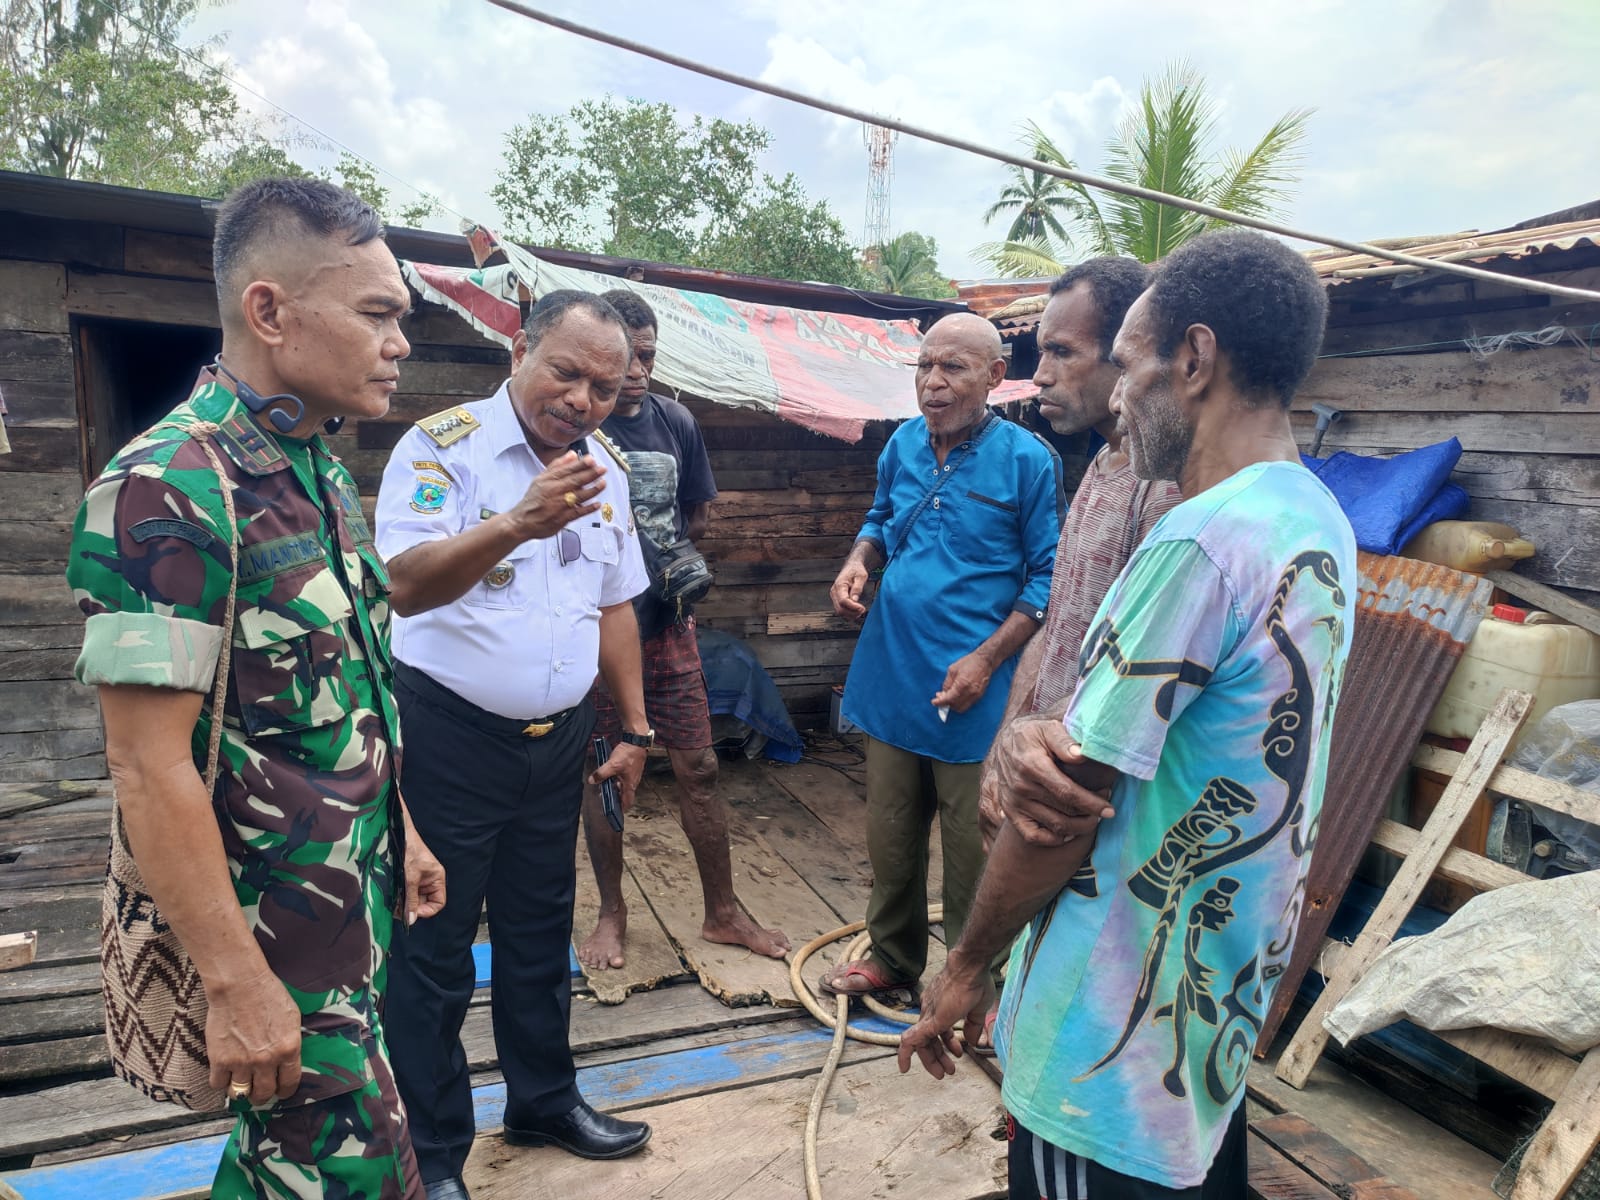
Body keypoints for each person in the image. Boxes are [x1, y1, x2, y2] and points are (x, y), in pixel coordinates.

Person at [899, 230, 1357, 1200]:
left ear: (1192, 360)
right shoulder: (1313, 519)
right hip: (1204, 1023)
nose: (1116, 392)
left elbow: (1061, 806)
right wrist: (1038, 730)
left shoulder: (1197, 542)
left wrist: (967, 966)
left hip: (1102, 1046)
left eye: (1129, 363)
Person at [66, 177, 445, 1200]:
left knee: (299, 1172)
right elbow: (146, 769)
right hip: (269, 947)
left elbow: (346, 679)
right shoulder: (167, 488)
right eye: (377, 314)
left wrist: (397, 825)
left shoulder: (310, 464)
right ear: (269, 311)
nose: (399, 341)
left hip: (345, 911)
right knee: (355, 1179)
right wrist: (237, 985)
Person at [375, 290, 655, 1200]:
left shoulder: (603, 467)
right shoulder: (440, 449)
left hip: (557, 746)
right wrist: (518, 522)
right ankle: (436, 1154)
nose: (581, 399)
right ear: (520, 352)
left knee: (541, 937)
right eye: (566, 372)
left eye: (604, 388)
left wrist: (636, 726)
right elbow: (407, 586)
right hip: (447, 740)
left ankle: (543, 1100)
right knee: (435, 952)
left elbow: (614, 603)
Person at [823, 312, 1061, 1000]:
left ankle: (973, 982)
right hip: (892, 673)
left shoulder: (1027, 461)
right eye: (924, 366)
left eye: (953, 368)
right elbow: (879, 522)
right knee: (890, 837)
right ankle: (893, 960)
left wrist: (988, 661)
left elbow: (1048, 580)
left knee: (973, 850)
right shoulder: (900, 445)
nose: (933, 382)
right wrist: (858, 561)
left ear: (993, 377)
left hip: (974, 689)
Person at [577, 289, 789, 971]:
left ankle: (722, 912)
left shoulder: (676, 421)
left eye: (648, 355)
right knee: (605, 775)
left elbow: (697, 516)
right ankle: (613, 913)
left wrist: (667, 561)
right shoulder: (578, 426)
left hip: (669, 629)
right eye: (627, 357)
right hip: (599, 638)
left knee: (699, 765)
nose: (638, 370)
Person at [980, 259, 1182, 848]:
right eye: (1042, 353)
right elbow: (1059, 618)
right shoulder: (1100, 464)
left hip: (1083, 791)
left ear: (1124, 354)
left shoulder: (1164, 488)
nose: (1039, 376)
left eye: (1063, 353)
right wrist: (1007, 743)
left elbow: (1134, 672)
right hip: (1043, 761)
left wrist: (1035, 759)